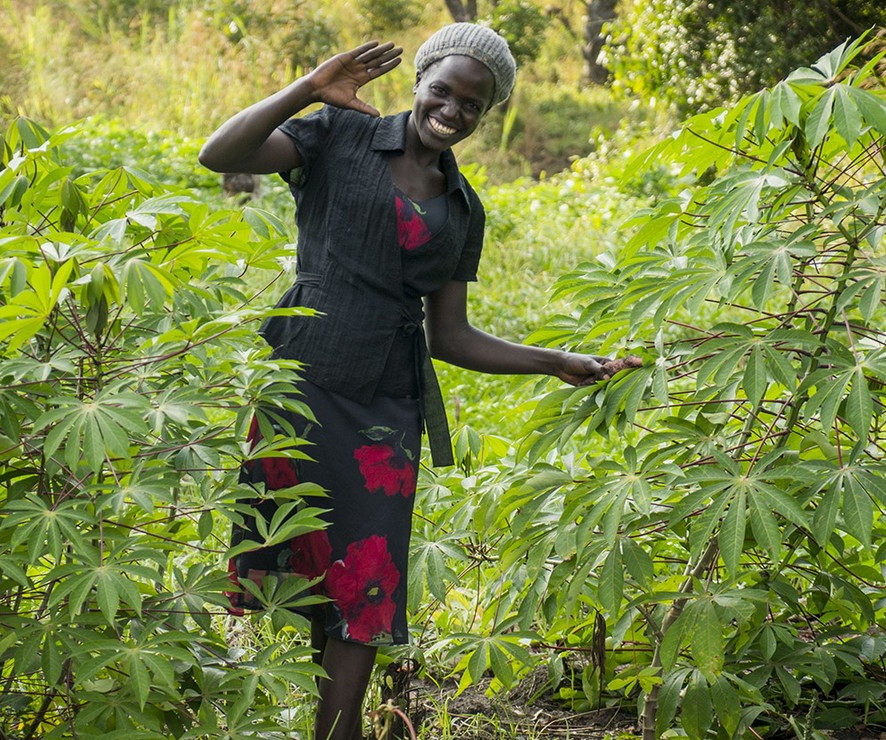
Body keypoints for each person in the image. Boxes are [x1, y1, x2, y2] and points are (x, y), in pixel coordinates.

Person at [199, 22, 624, 740]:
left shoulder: (462, 208)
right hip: (302, 383)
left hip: (384, 411)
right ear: (419, 81)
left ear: (487, 114)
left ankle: (342, 732)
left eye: (472, 104)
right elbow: (222, 153)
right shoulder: (336, 132)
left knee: (367, 579)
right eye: (444, 91)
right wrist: (308, 87)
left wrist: (557, 362)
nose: (452, 111)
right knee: (310, 565)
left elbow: (449, 336)